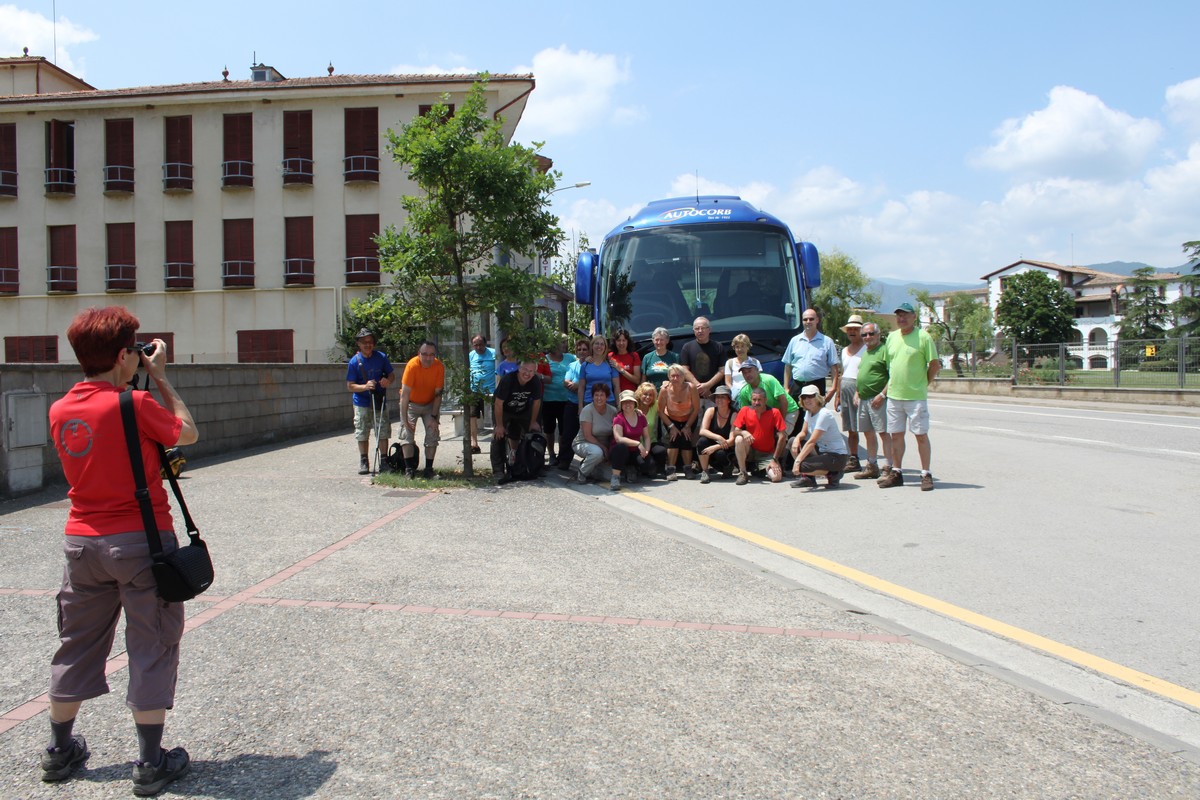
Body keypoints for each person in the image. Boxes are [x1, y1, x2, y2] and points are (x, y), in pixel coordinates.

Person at [44, 306, 198, 794]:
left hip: (80, 543)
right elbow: (187, 433)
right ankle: (150, 762)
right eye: (133, 348)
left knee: (76, 641)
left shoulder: (60, 409)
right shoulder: (134, 403)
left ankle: (59, 751)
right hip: (140, 542)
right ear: (121, 355)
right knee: (152, 641)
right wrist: (161, 377)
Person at [879, 302, 940, 491]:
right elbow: (891, 366)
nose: (901, 318)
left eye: (905, 315)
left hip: (915, 397)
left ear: (914, 317)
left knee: (921, 435)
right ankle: (897, 472)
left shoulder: (923, 337)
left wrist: (923, 383)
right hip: (894, 396)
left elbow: (934, 364)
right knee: (896, 435)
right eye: (899, 315)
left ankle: (926, 474)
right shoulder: (892, 337)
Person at [345, 328, 394, 475]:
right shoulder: (354, 362)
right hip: (362, 402)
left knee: (382, 430)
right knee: (362, 431)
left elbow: (391, 375)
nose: (368, 345)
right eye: (364, 342)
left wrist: (387, 381)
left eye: (370, 342)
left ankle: (384, 460)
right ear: (359, 344)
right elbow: (350, 386)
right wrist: (365, 387)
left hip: (379, 399)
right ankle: (364, 460)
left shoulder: (381, 357)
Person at [492, 358, 544, 484]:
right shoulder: (508, 380)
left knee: (535, 433)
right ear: (519, 369)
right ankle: (498, 470)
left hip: (523, 409)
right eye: (525, 369)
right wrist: (499, 425)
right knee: (498, 435)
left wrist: (533, 422)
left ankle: (533, 465)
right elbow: (498, 403)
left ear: (535, 372)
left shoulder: (535, 381)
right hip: (504, 409)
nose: (527, 373)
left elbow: (537, 402)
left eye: (531, 371)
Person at [398, 340, 445, 479]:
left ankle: (429, 469)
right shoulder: (412, 365)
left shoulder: (439, 366)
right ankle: (409, 469)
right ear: (419, 354)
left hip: (430, 404)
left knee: (432, 432)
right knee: (406, 434)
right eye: (425, 354)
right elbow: (404, 395)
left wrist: (434, 418)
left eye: (432, 355)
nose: (428, 358)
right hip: (411, 404)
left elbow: (438, 394)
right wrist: (405, 421)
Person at [789, 384, 850, 489]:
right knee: (792, 441)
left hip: (836, 456)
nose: (807, 400)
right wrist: (797, 439)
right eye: (804, 397)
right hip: (822, 451)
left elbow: (812, 441)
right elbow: (803, 432)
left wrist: (797, 461)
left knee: (801, 466)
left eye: (810, 396)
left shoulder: (824, 414)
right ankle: (808, 479)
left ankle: (834, 473)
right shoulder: (809, 412)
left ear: (817, 397)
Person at [853, 321, 892, 480]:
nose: (868, 337)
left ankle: (889, 467)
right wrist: (857, 392)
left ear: (878, 334)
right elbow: (863, 375)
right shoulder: (866, 352)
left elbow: (893, 376)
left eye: (871, 333)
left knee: (883, 433)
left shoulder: (884, 351)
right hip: (864, 399)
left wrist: (882, 395)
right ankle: (872, 465)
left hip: (878, 399)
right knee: (868, 433)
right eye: (864, 334)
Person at [782, 307, 840, 406]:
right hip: (797, 386)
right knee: (796, 415)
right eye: (805, 319)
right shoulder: (794, 341)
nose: (808, 322)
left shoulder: (827, 342)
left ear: (817, 320)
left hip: (817, 386)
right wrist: (786, 387)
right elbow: (788, 366)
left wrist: (833, 388)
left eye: (811, 319)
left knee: (817, 415)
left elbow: (834, 367)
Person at [732, 385, 786, 485]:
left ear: (765, 400)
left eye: (759, 400)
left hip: (766, 454)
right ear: (751, 400)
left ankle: (758, 469)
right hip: (749, 451)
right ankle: (743, 473)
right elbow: (735, 432)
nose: (756, 402)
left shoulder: (774, 412)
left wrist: (774, 459)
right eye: (754, 400)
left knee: (776, 477)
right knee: (739, 439)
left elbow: (782, 436)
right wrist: (743, 432)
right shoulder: (745, 410)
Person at [657, 363, 701, 480]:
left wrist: (687, 426)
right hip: (671, 418)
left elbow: (696, 409)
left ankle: (688, 469)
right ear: (669, 377)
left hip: (689, 417)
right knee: (673, 439)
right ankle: (671, 469)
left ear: (683, 376)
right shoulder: (664, 390)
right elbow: (660, 411)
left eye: (679, 375)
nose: (676, 378)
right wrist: (671, 426)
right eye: (673, 376)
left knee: (686, 439)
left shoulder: (691, 387)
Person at [735, 359, 799, 437]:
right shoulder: (744, 392)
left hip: (788, 410)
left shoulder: (769, 380)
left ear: (757, 371)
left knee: (780, 436)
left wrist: (779, 425)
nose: (747, 375)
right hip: (769, 415)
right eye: (744, 373)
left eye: (749, 371)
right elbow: (745, 412)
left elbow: (783, 401)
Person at [555, 338, 592, 470]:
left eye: (584, 349)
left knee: (590, 434)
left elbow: (591, 384)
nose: (582, 352)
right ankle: (564, 460)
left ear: (589, 351)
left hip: (588, 404)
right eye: (579, 349)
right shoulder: (572, 365)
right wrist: (575, 385)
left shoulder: (592, 364)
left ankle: (589, 461)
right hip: (572, 403)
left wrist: (578, 385)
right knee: (568, 433)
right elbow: (566, 382)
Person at [838, 314, 867, 473]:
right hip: (845, 389)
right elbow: (842, 373)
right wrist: (837, 395)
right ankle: (854, 457)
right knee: (850, 427)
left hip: (860, 390)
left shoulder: (867, 349)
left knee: (866, 427)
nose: (852, 332)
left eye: (856, 329)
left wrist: (859, 390)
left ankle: (872, 460)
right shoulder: (844, 350)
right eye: (850, 329)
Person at [541, 334, 576, 466]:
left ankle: (562, 454)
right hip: (548, 399)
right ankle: (551, 454)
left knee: (564, 429)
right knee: (549, 429)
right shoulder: (544, 359)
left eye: (565, 342)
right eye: (562, 342)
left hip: (566, 399)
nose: (564, 345)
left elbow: (579, 365)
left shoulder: (570, 357)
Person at [572, 382, 615, 484]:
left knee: (609, 477)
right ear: (592, 396)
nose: (599, 398)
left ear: (607, 397)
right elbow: (587, 436)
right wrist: (604, 448)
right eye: (596, 395)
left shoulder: (613, 411)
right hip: (585, 442)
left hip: (603, 447)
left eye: (602, 395)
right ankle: (582, 473)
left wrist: (610, 450)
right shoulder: (587, 410)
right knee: (597, 453)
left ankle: (591, 467)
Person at [609, 389, 652, 490]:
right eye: (625, 402)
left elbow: (646, 436)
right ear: (621, 404)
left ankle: (630, 468)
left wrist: (646, 451)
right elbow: (619, 439)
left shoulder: (641, 417)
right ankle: (615, 477)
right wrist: (638, 443)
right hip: (619, 451)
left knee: (649, 465)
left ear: (635, 403)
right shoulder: (618, 418)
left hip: (634, 451)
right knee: (621, 447)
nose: (627, 404)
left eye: (630, 401)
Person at [697, 384, 737, 483]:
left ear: (728, 400)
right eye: (717, 397)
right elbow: (702, 431)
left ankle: (728, 468)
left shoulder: (734, 414)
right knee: (701, 442)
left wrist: (715, 447)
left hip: (727, 448)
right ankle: (705, 471)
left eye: (722, 397)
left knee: (720, 454)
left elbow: (732, 440)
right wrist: (718, 437)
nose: (719, 399)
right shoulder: (710, 411)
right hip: (714, 443)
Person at [679, 316, 725, 401]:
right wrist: (699, 387)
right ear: (693, 331)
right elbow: (684, 370)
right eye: (697, 328)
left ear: (709, 329)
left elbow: (722, 371)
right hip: (692, 395)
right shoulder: (687, 347)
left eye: (703, 328)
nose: (700, 331)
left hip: (714, 395)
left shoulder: (718, 347)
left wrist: (708, 385)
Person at [467, 334, 495, 455]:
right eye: (475, 345)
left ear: (485, 344)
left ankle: (495, 443)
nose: (478, 347)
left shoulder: (493, 353)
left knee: (493, 417)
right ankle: (474, 444)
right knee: (472, 416)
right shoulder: (471, 355)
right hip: (474, 390)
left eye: (481, 345)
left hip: (490, 391)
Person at [577, 334, 621, 410]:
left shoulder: (611, 364)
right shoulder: (585, 365)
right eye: (597, 343)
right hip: (589, 402)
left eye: (602, 344)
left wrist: (618, 405)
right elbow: (581, 387)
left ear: (605, 347)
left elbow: (616, 387)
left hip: (609, 402)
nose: (599, 346)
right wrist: (580, 407)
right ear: (592, 346)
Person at [634, 381, 668, 477]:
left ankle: (661, 470)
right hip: (636, 444)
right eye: (645, 394)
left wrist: (665, 386)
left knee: (661, 451)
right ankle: (634, 468)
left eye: (651, 395)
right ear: (639, 394)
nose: (648, 397)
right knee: (646, 465)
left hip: (650, 441)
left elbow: (666, 399)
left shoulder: (655, 406)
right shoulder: (633, 407)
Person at [640, 326, 678, 391]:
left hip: (669, 394)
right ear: (653, 341)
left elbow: (679, 378)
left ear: (667, 340)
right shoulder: (647, 357)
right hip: (651, 395)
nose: (659, 342)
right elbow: (643, 380)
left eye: (662, 340)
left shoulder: (675, 357)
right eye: (656, 340)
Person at [608, 328, 641, 394]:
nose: (621, 343)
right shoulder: (610, 356)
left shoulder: (634, 356)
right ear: (615, 342)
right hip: (614, 394)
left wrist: (621, 370)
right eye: (618, 340)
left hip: (630, 394)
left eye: (624, 340)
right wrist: (589, 358)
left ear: (627, 341)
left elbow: (637, 380)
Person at [723, 334, 753, 404]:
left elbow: (758, 381)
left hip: (751, 397)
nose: (740, 349)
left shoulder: (755, 362)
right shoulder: (729, 362)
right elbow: (727, 382)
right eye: (737, 347)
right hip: (736, 399)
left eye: (743, 346)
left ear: (748, 347)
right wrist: (735, 393)